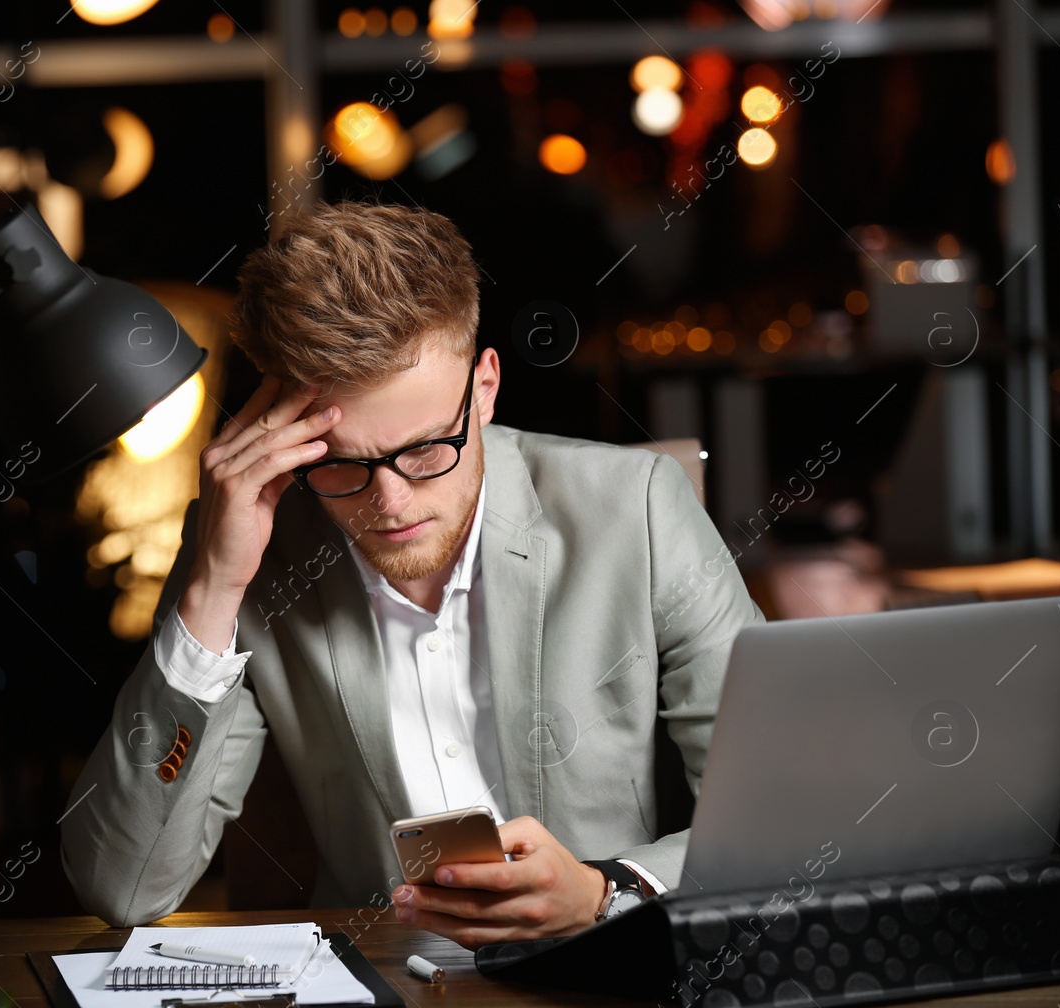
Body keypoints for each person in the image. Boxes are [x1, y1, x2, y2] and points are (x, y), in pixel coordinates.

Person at [61, 201, 763, 950]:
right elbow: (124, 884)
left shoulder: (640, 510)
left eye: (427, 450)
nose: (388, 503)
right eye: (341, 464)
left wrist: (606, 892)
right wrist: (212, 591)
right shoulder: (251, 558)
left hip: (611, 981)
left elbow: (778, 813)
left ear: (484, 388)